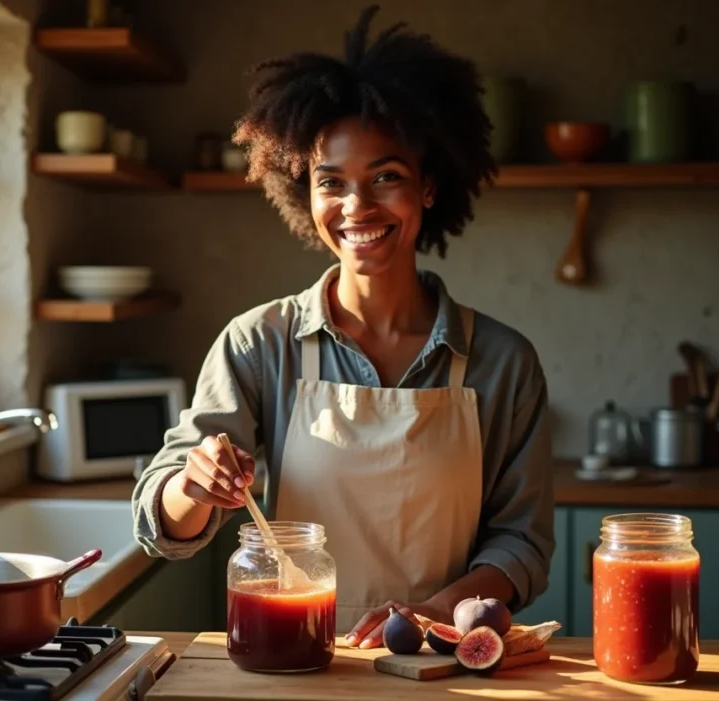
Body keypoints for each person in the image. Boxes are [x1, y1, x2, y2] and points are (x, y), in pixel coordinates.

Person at [131, 4, 554, 649]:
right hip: (293, 653)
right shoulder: (259, 344)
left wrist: (428, 615)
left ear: (428, 187)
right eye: (331, 182)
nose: (358, 206)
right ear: (305, 194)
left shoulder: (503, 361)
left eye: (386, 176)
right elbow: (162, 526)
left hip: (440, 660)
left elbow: (521, 542)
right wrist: (192, 484)